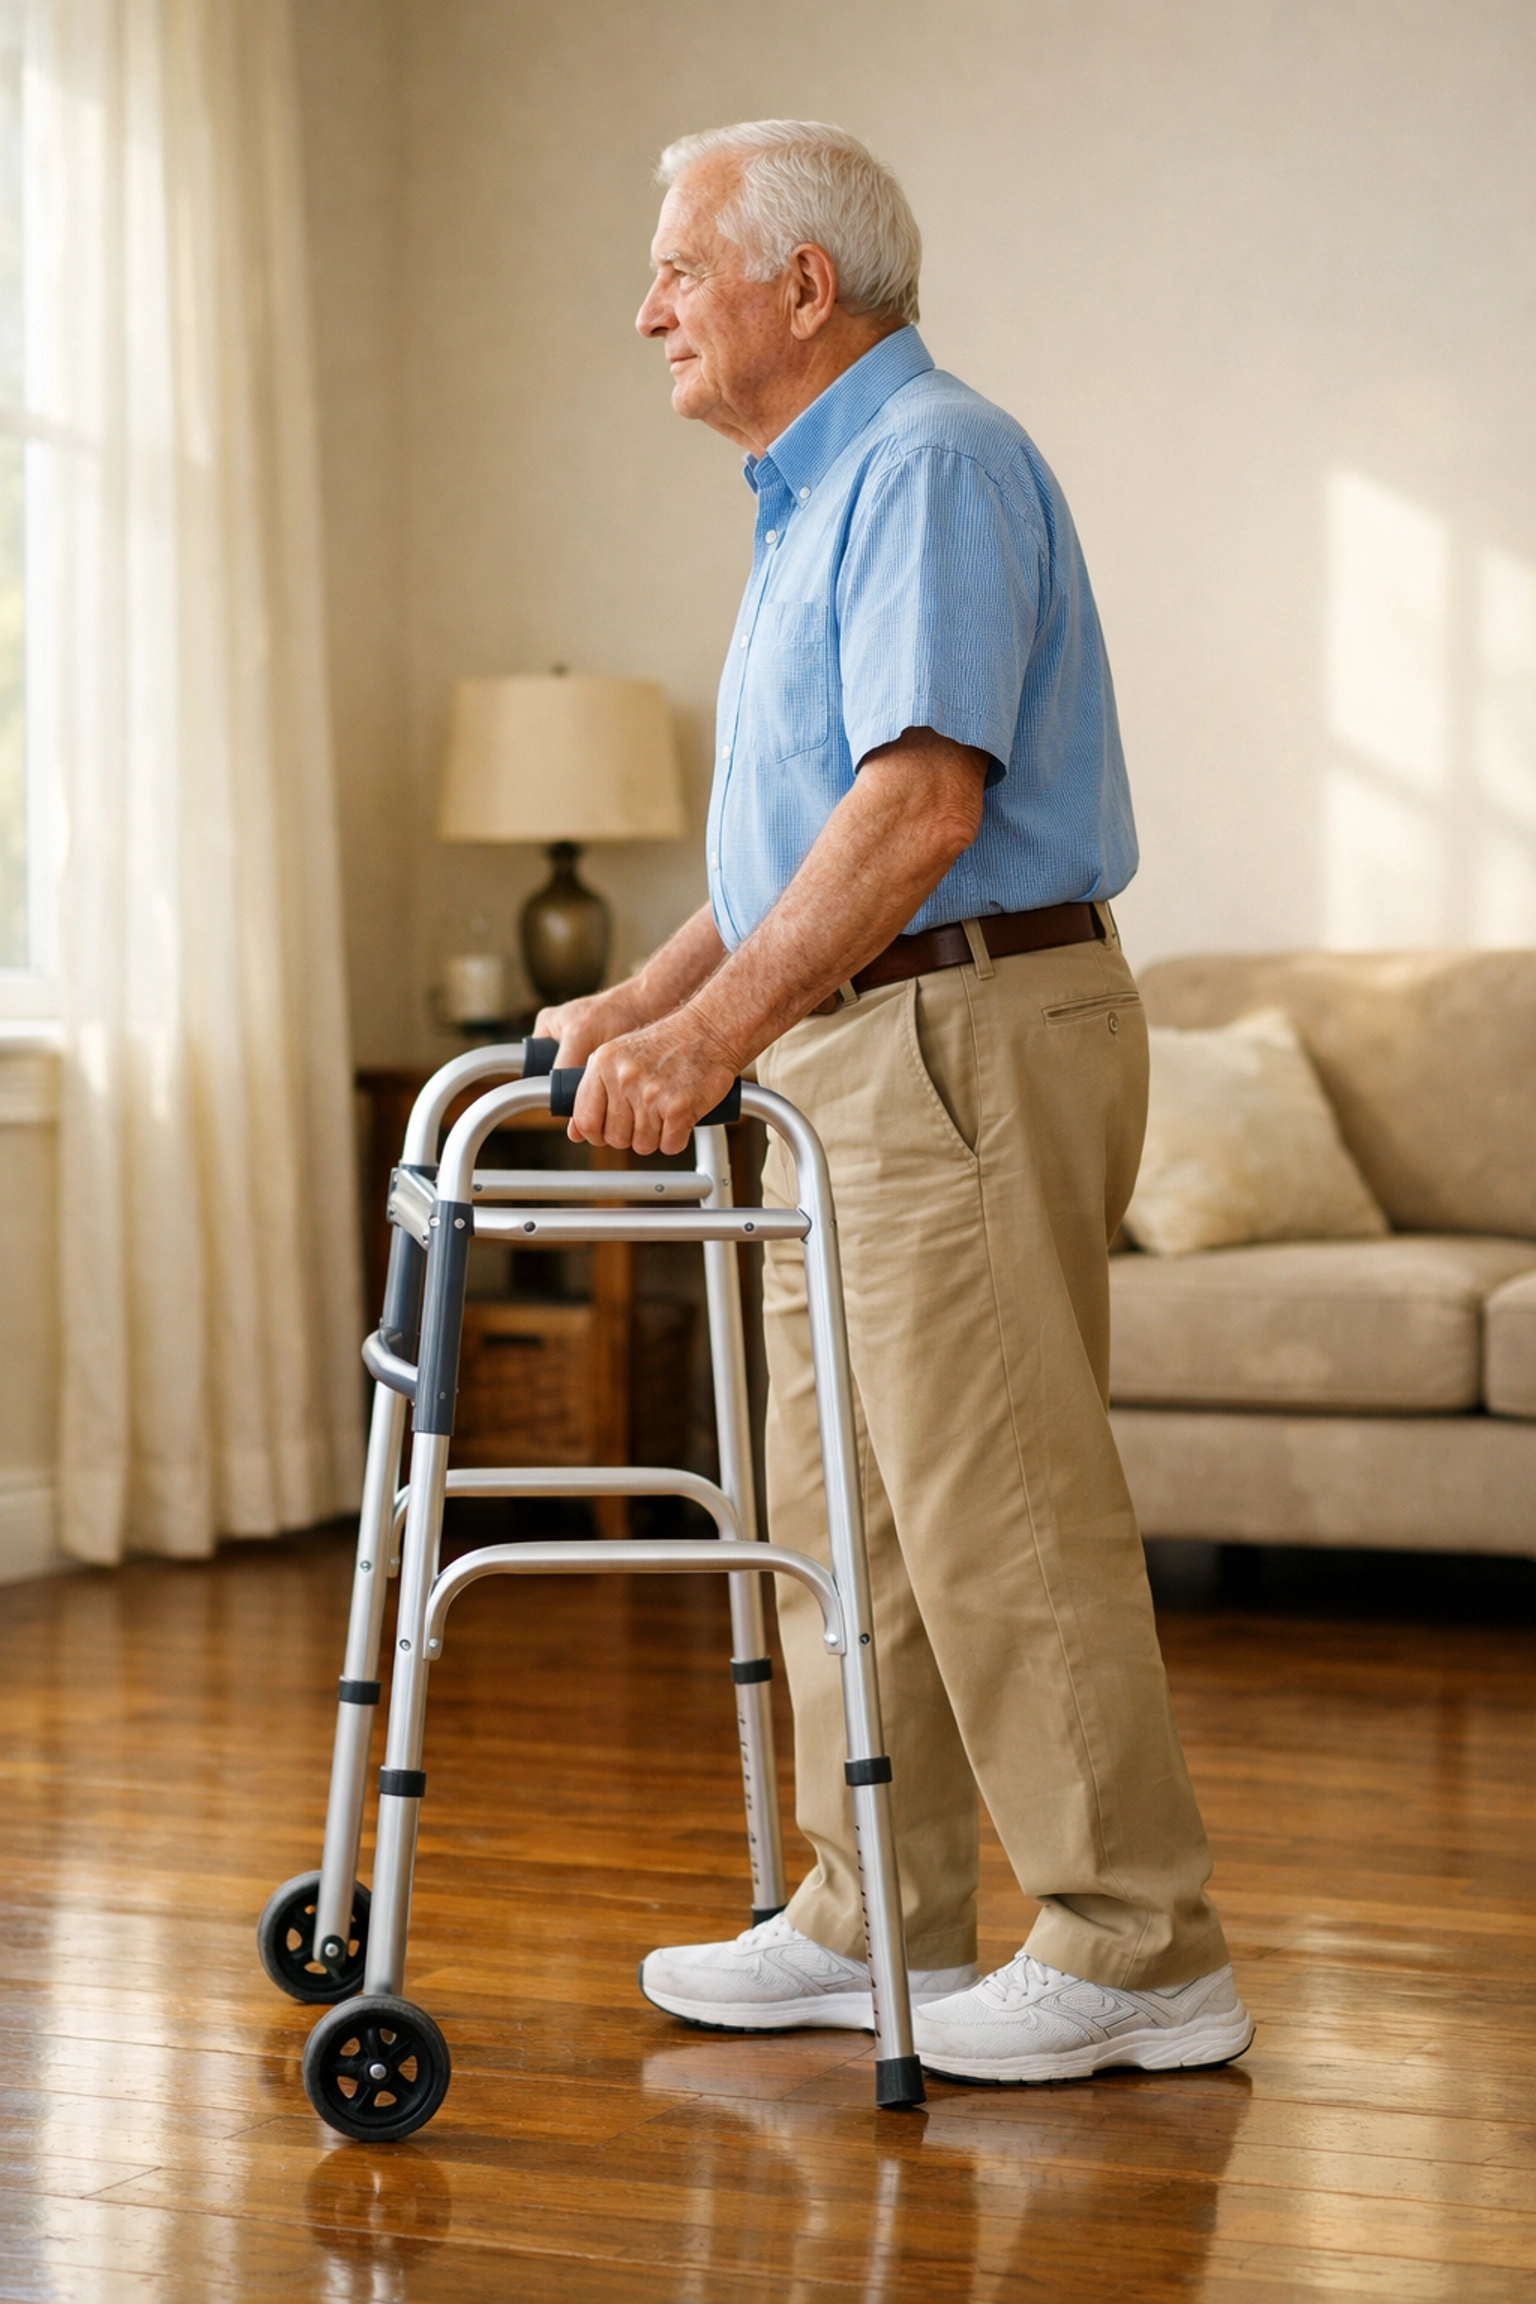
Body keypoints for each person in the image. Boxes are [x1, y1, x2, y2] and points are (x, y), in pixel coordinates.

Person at [536, 118, 1251, 2085]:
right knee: (846, 1509)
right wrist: (654, 996)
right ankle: (877, 1913)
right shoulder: (819, 498)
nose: (647, 307)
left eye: (680, 268)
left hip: (956, 1025)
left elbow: (924, 812)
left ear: (801, 286)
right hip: (853, 1033)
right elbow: (808, 840)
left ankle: (1135, 1944)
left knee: (996, 1503)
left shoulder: (931, 463)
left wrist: (705, 1041)